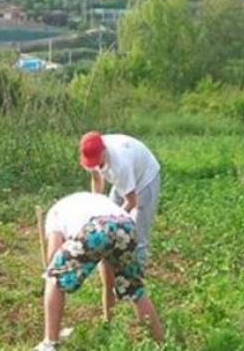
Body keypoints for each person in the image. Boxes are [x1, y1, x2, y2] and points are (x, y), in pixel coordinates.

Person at [34, 192, 164, 351]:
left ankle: (49, 343)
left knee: (53, 277)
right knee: (134, 289)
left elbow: (53, 256)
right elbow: (106, 255)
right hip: (126, 225)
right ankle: (161, 343)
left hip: (97, 227)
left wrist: (50, 272)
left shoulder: (54, 216)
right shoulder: (84, 202)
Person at [78, 131, 160, 321]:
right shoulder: (92, 151)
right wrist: (96, 206)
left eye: (97, 162)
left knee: (137, 234)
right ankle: (111, 278)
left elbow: (130, 201)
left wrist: (110, 222)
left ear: (104, 152)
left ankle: (134, 283)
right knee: (109, 216)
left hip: (145, 180)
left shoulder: (119, 165)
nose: (94, 165)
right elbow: (96, 179)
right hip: (128, 177)